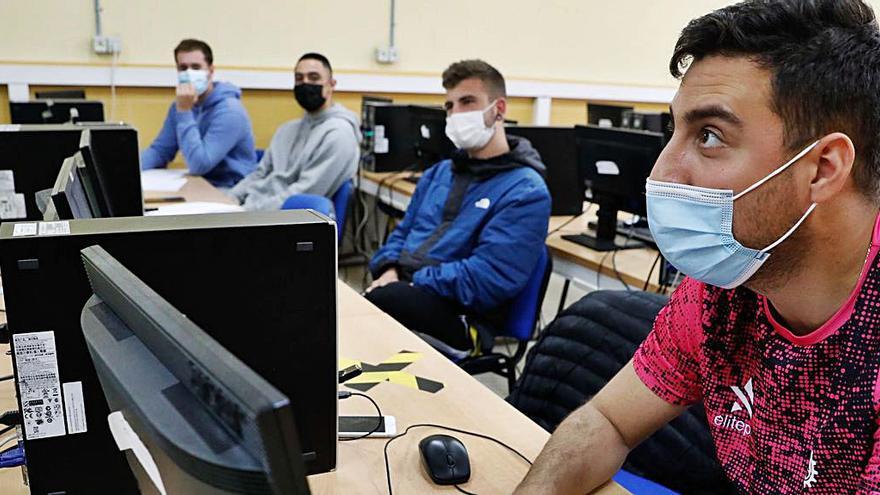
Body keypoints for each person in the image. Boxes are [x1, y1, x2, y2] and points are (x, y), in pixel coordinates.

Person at [515, 1, 880, 493]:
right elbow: (607, 422)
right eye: (675, 130)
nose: (661, 173)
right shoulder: (724, 290)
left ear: (823, 168)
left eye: (709, 136)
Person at [365, 60, 551, 356]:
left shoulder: (526, 191)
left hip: (466, 318)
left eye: (468, 102)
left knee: (384, 304)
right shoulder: (438, 173)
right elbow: (401, 233)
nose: (456, 114)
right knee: (356, 304)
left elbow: (487, 278)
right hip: (410, 290)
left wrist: (411, 280)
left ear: (498, 109)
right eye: (450, 106)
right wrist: (389, 269)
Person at [228, 53, 360, 211]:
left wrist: (248, 212)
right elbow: (259, 174)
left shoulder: (338, 135)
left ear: (331, 84)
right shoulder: (287, 130)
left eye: (314, 77)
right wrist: (229, 199)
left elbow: (304, 191)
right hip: (252, 209)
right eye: (299, 78)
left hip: (282, 220)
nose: (305, 83)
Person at [140, 39, 256, 188]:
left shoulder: (230, 111)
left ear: (211, 71)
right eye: (183, 68)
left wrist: (184, 112)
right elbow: (161, 151)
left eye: (196, 67)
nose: (189, 73)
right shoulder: (180, 106)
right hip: (199, 183)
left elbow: (199, 164)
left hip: (231, 189)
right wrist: (127, 168)